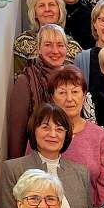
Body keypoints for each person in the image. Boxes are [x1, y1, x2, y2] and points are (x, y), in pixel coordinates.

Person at [0, 102, 91, 208]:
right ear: (34, 130)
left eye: (59, 129)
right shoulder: (14, 169)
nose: (53, 134)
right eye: (45, 127)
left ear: (66, 135)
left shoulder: (81, 172)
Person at [48, 64, 104, 205]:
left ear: (84, 96)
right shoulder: (42, 134)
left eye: (75, 92)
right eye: (62, 93)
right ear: (52, 98)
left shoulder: (99, 135)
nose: (69, 99)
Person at [8, 24, 70, 159]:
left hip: (70, 157)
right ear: (38, 49)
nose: (55, 51)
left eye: (60, 45)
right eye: (48, 45)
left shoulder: (73, 79)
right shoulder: (25, 81)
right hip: (35, 161)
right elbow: (17, 134)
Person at [13, 0, 80, 77]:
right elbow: (18, 79)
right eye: (41, 6)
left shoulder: (74, 47)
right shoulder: (23, 42)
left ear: (59, 9)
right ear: (34, 12)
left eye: (52, 4)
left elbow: (79, 83)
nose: (47, 9)